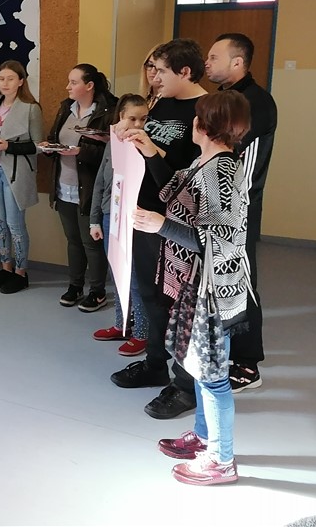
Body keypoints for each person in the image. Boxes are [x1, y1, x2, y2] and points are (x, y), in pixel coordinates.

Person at [133, 90, 252, 485]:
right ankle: (203, 438)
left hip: (213, 289)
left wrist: (161, 225)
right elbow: (175, 189)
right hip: (198, 283)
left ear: (204, 126)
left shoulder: (222, 171)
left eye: (197, 117)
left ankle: (221, 459)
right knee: (199, 366)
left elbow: (219, 237)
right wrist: (150, 153)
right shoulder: (207, 162)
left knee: (213, 375)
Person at [109, 38, 208, 421]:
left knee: (181, 304)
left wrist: (150, 149)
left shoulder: (206, 110)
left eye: (161, 70)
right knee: (150, 294)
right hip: (145, 212)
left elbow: (190, 176)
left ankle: (185, 385)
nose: (154, 76)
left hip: (176, 222)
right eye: (152, 68)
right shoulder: (162, 103)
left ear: (185, 71)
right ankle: (155, 364)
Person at [205, 33, 277, 392]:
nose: (207, 63)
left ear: (238, 62)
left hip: (239, 206)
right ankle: (225, 351)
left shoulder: (255, 102)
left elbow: (227, 150)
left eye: (214, 57)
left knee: (241, 281)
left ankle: (248, 365)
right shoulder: (225, 98)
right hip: (218, 204)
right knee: (220, 280)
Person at [42, 64, 117, 310]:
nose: (68, 87)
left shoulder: (108, 111)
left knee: (90, 242)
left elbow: (112, 153)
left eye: (73, 82)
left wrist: (81, 151)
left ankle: (97, 291)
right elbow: (55, 137)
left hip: (90, 188)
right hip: (64, 185)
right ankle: (75, 286)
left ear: (89, 85)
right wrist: (50, 147)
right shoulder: (67, 107)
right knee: (73, 240)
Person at [90, 93, 150, 356]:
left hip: (134, 220)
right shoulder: (113, 145)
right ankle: (122, 324)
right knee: (117, 273)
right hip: (110, 215)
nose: (137, 125)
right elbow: (101, 183)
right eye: (132, 118)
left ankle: (142, 333)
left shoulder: (146, 146)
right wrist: (94, 219)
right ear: (120, 117)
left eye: (143, 119)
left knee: (134, 279)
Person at [0, 60, 43, 294]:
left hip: (16, 172)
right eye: (1, 78)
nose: (5, 83)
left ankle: (21, 272)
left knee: (15, 224)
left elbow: (39, 146)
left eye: (10, 79)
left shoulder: (31, 108)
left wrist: (9, 146)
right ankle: (5, 267)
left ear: (21, 81)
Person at [140, 46, 162, 110]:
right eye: (150, 65)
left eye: (158, 67)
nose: (153, 71)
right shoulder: (145, 99)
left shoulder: (171, 101)